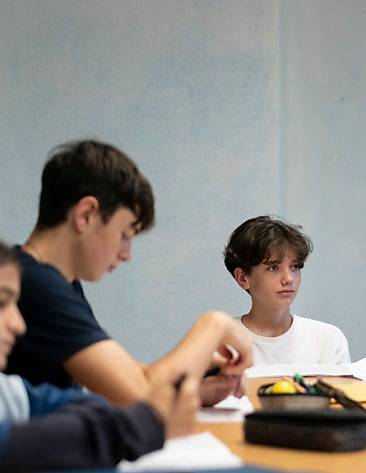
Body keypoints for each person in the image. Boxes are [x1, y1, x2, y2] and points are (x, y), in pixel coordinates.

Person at [7, 140, 251, 406]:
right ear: (86, 215)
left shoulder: (56, 280)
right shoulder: (36, 284)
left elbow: (124, 378)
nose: (126, 254)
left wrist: (198, 388)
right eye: (124, 235)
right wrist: (215, 324)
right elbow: (141, 395)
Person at [0, 240, 248, 473]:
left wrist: (186, 393)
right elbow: (136, 394)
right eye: (2, 303)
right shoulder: (41, 284)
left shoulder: (6, 388)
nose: (19, 325)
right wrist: (213, 325)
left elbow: (93, 404)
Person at [223, 215, 349, 365]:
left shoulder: (328, 340)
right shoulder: (220, 341)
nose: (289, 278)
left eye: (295, 267)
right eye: (273, 268)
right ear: (243, 278)